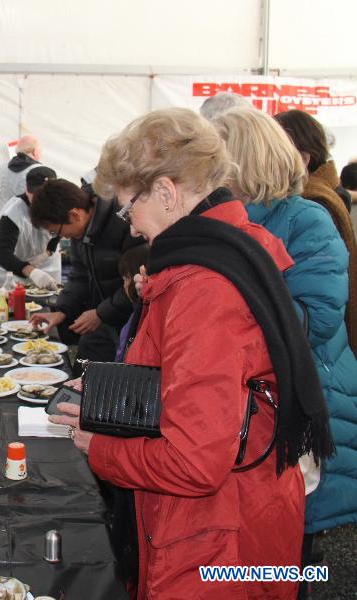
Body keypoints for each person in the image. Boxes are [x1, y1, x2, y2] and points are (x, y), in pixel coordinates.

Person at [50, 107, 332, 598]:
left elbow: (194, 463)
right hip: (241, 510)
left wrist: (102, 448)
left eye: (128, 207)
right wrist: (107, 392)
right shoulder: (230, 247)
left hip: (217, 540)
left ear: (166, 191)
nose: (132, 228)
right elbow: (194, 378)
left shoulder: (204, 285)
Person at [213, 108, 357, 587]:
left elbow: (312, 321)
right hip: (264, 424)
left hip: (313, 419)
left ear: (239, 162)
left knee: (310, 569)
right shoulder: (224, 224)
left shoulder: (305, 219)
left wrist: (225, 298)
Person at [28, 178, 145, 367]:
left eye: (57, 232)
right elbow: (80, 273)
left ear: (74, 215)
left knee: (95, 362)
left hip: (130, 320)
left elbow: (135, 283)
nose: (62, 237)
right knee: (84, 358)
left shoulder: (124, 220)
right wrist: (62, 310)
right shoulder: (81, 231)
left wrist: (101, 313)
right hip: (107, 315)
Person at [274, 109, 357, 352]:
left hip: (321, 353)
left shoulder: (313, 205)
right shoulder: (322, 196)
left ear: (303, 158)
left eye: (276, 152)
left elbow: (319, 309)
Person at [0, 165, 61, 288]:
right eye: (36, 195)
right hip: (14, 270)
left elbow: (59, 233)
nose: (40, 201)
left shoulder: (59, 205)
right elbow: (2, 253)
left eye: (45, 196)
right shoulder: (13, 212)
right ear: (27, 189)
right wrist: (30, 270)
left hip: (48, 266)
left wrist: (47, 253)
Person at [0, 134, 41, 220]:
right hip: (27, 225)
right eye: (40, 150)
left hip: (4, 221)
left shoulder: (1, 169)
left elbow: (0, 196)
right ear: (34, 151)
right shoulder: (38, 170)